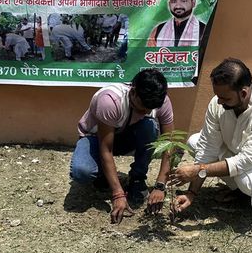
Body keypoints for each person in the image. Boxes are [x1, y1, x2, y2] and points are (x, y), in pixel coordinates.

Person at [170, 59, 252, 219]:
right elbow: (207, 148)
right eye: (218, 96)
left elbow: (246, 160)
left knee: (245, 181)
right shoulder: (217, 103)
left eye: (225, 98)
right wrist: (192, 193)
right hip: (240, 151)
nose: (219, 101)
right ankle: (242, 190)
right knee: (194, 142)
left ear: (244, 93)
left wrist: (197, 171)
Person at [70, 69, 175, 224]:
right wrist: (118, 194)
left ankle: (137, 179)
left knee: (149, 126)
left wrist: (160, 185)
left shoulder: (161, 101)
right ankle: (102, 177)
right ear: (133, 92)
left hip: (127, 136)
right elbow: (106, 148)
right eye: (142, 107)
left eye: (149, 109)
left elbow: (169, 144)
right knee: (82, 172)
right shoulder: (110, 100)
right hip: (95, 138)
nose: (144, 111)